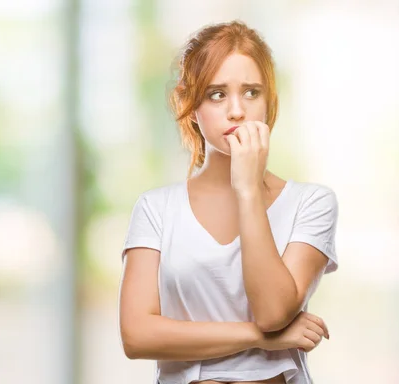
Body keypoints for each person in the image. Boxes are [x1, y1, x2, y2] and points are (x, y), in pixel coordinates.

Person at [118, 20, 338, 384]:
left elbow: (272, 312)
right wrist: (260, 339)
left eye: (251, 92)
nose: (237, 111)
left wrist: (248, 189)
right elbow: (137, 335)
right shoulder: (156, 209)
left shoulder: (311, 203)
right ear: (191, 105)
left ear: (270, 102)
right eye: (216, 94)